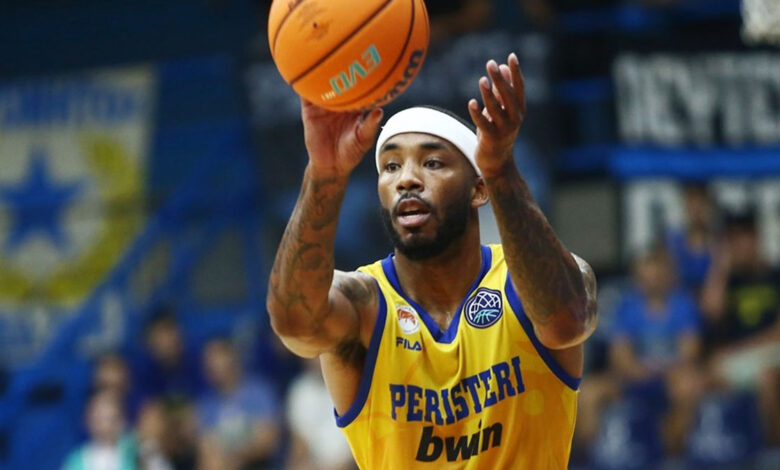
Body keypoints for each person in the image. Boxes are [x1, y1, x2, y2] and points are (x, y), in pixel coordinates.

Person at [267, 53, 598, 468]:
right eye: (390, 166)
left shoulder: (523, 284)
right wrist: (324, 172)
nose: (406, 178)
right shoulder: (364, 303)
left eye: (433, 162)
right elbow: (294, 323)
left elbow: (569, 320)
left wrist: (500, 170)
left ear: (478, 189)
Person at [576, 246, 703, 455]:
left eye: (659, 272)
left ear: (669, 274)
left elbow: (690, 352)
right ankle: (594, 457)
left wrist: (662, 371)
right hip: (632, 378)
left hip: (671, 378)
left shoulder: (684, 304)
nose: (653, 278)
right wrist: (639, 371)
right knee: (588, 393)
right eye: (648, 272)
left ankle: (671, 454)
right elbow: (619, 354)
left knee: (689, 387)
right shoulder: (627, 306)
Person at [701, 210, 780, 445]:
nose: (739, 246)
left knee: (767, 379)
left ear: (756, 239)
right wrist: (721, 266)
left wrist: (737, 351)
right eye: (732, 241)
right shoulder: (729, 280)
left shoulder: (774, 276)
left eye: (743, 239)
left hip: (770, 353)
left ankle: (773, 450)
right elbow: (711, 311)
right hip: (736, 360)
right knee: (698, 382)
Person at [196, 338, 281, 470]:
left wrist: (237, 458)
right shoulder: (206, 404)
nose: (214, 366)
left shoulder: (259, 392)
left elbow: (267, 442)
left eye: (219, 360)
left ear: (234, 359)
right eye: (209, 363)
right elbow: (206, 449)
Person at [285, 359, 355, 470]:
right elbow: (299, 443)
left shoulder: (351, 387)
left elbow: (356, 450)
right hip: (314, 464)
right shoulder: (301, 390)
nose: (319, 361)